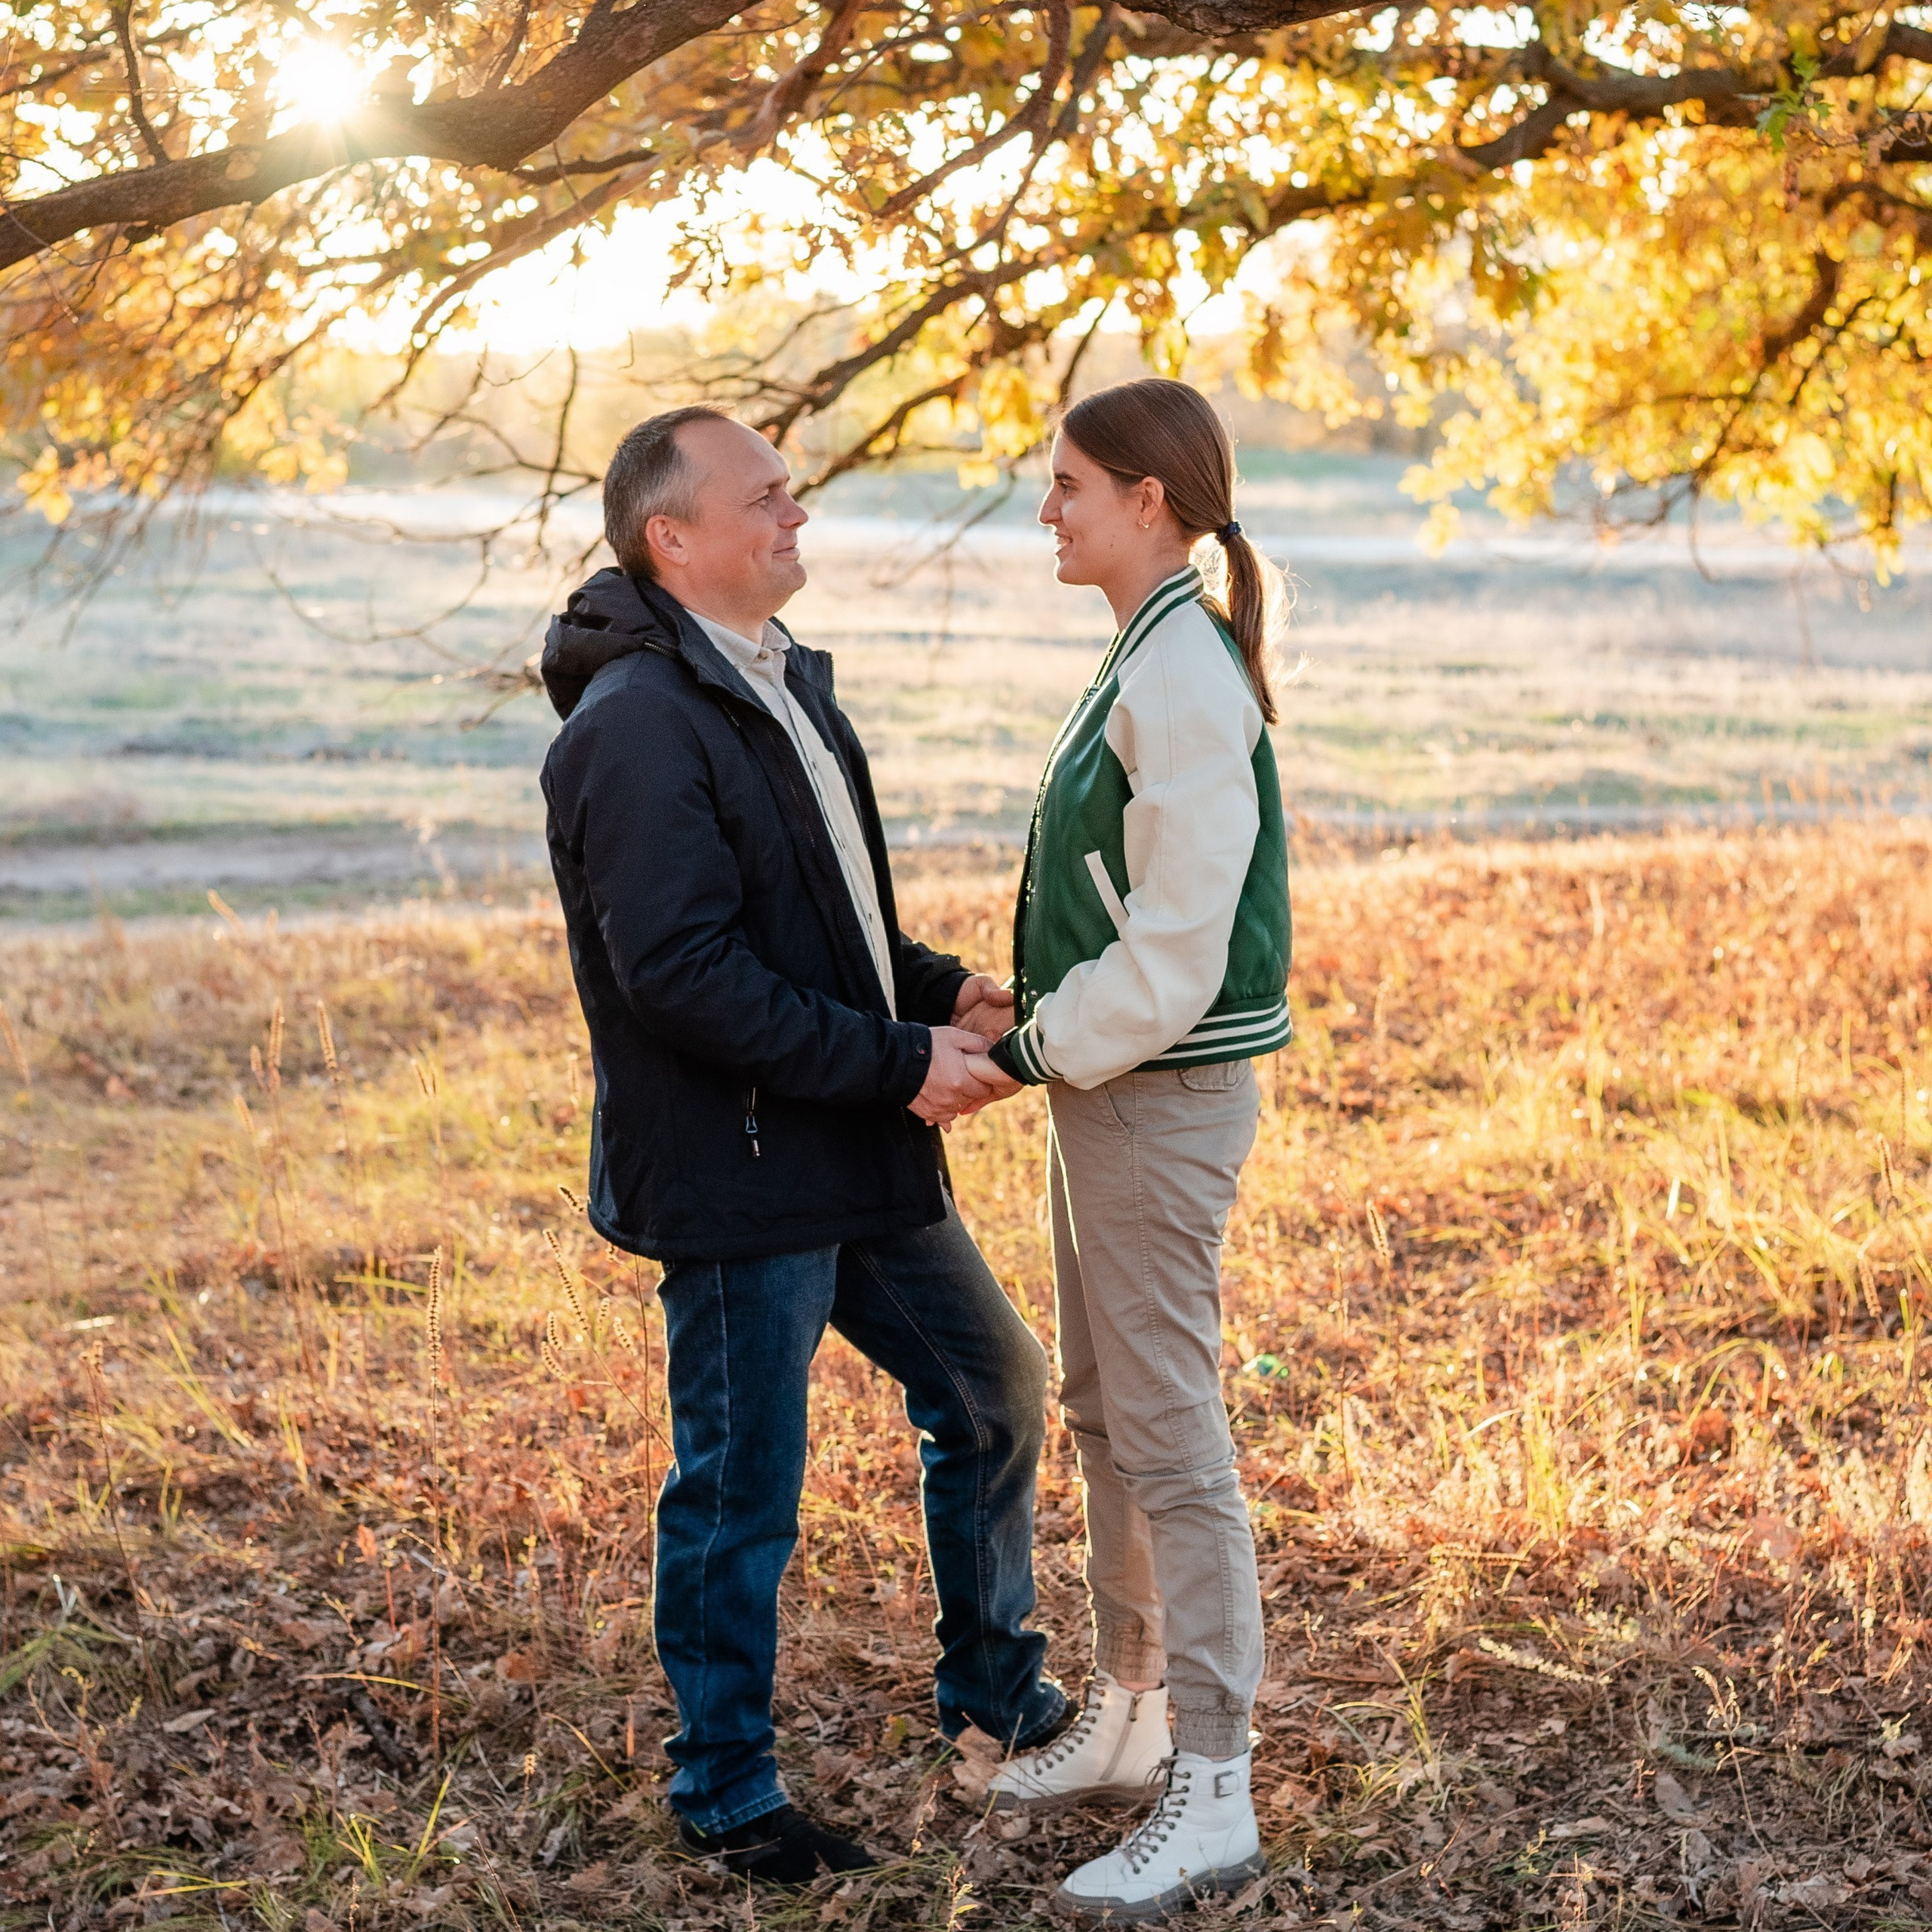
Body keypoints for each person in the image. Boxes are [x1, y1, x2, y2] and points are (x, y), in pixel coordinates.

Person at [540, 407, 1066, 1884]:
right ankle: (721, 1789)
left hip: (838, 1136)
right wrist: (899, 1061)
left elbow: (814, 917)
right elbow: (685, 975)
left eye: (793, 496)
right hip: (738, 1166)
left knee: (990, 1388)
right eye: (766, 500)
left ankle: (997, 1698)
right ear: (674, 536)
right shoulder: (635, 725)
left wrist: (929, 986)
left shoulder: (775, 683)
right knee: (739, 1485)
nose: (796, 518)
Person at [970, 379, 1293, 1921]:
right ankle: (1132, 1709)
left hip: (1155, 1091)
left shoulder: (1182, 674)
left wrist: (1031, 1043)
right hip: (1108, 1082)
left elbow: (1171, 947)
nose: (1049, 509)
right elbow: (1114, 902)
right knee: (1105, 1399)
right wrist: (1021, 1007)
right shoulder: (1150, 645)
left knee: (1168, 1425)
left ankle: (1212, 1784)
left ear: (1147, 501)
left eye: (1068, 486)